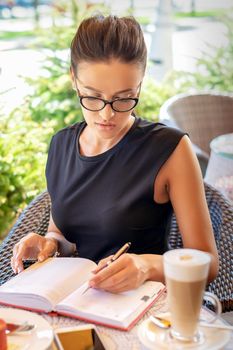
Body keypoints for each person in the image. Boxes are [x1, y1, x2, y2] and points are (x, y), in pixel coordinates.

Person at [11, 14, 219, 293]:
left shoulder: (169, 149)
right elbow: (60, 232)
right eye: (93, 97)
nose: (107, 114)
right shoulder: (61, 145)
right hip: (73, 299)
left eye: (124, 98)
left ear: (141, 83)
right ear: (74, 79)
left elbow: (207, 264)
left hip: (143, 308)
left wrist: (146, 266)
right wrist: (49, 244)